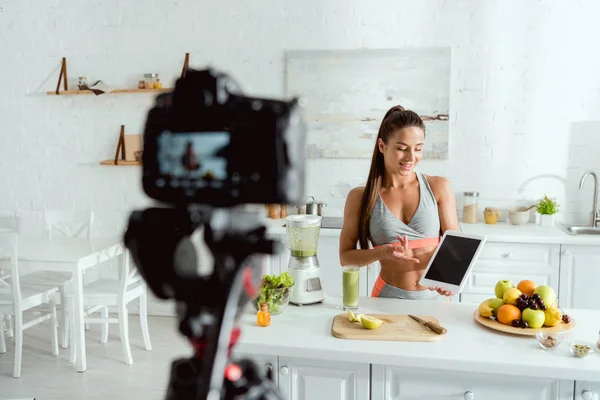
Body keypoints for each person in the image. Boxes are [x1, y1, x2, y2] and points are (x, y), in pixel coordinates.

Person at [338, 105, 460, 300]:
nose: (411, 157)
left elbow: (456, 249)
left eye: (418, 148)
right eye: (402, 148)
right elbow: (345, 258)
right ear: (381, 146)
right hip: (387, 298)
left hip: (435, 300)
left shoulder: (438, 187)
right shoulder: (360, 197)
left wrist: (449, 279)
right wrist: (381, 254)